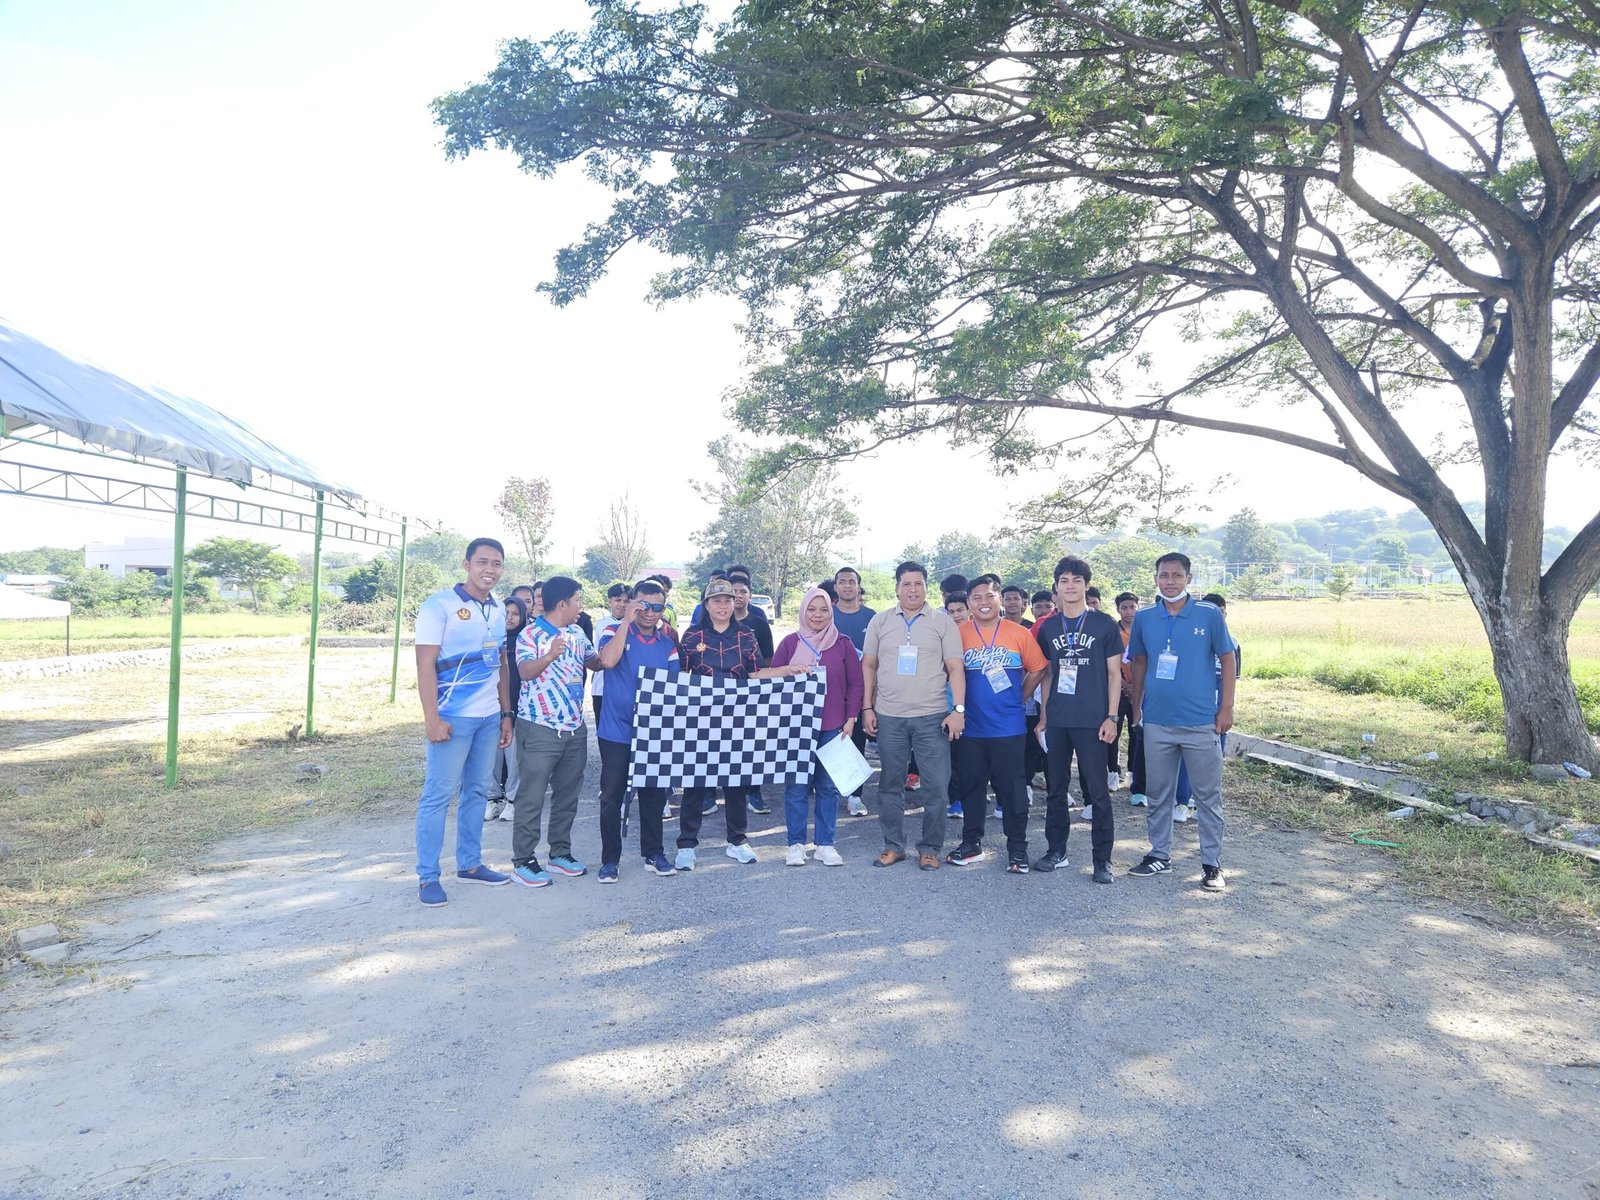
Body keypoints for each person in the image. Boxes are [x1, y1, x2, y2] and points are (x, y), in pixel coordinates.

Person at [675, 578, 808, 868]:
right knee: (695, 782)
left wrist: (786, 671)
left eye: (728, 600)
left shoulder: (746, 635)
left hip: (737, 719)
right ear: (706, 604)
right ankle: (686, 845)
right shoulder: (691, 636)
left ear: (735, 603)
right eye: (716, 600)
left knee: (736, 782)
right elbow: (681, 679)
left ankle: (737, 841)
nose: (722, 606)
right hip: (700, 719)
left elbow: (755, 673)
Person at [411, 538, 515, 907]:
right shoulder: (438, 606)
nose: (490, 570)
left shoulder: (499, 609)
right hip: (452, 718)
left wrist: (505, 714)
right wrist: (432, 719)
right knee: (438, 796)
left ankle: (470, 864)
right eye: (482, 562)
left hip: (488, 718)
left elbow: (500, 664)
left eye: (496, 564)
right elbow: (424, 665)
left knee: (476, 792)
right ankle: (427, 877)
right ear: (467, 564)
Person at [1127, 553, 1236, 891]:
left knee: (1206, 796)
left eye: (1177, 575)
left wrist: (1226, 708)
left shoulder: (1209, 614)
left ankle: (1211, 864)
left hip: (1200, 721)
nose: (1170, 581)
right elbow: (1139, 663)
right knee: (1158, 792)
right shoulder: (1145, 617)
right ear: (1156, 579)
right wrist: (1136, 707)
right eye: (1164, 575)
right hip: (1157, 721)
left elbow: (1227, 658)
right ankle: (1159, 854)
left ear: (1189, 578)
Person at [862, 561, 966, 870]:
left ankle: (930, 848)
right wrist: (867, 707)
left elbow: (956, 668)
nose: (912, 589)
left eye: (918, 583)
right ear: (897, 588)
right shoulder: (880, 622)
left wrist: (958, 710)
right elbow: (868, 665)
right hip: (889, 716)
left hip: (932, 716)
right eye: (906, 584)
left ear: (926, 587)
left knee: (935, 787)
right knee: (889, 785)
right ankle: (893, 846)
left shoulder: (942, 623)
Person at [945, 574, 1048, 873]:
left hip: (1008, 727)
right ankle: (971, 844)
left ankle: (1017, 849)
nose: (983, 602)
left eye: (989, 596)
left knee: (1012, 790)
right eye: (976, 597)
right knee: (972, 787)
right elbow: (947, 672)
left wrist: (1021, 696)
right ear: (968, 603)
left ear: (1000, 599)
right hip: (970, 727)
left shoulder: (1019, 633)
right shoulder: (958, 634)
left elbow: (1038, 668)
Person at [1033, 557, 1124, 883]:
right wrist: (1044, 716)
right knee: (1055, 788)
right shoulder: (1048, 627)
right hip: (1059, 719)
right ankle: (1056, 851)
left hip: (1093, 719)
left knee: (1097, 791)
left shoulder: (1104, 624)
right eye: (1064, 581)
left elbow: (1114, 675)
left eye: (1076, 580)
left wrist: (1112, 717)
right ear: (1056, 588)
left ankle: (1103, 860)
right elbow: (1047, 674)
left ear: (1086, 585)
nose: (1070, 586)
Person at [512, 575, 603, 887]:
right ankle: (523, 861)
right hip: (539, 727)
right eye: (578, 600)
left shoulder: (577, 632)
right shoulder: (530, 634)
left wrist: (625, 630)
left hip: (574, 727)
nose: (580, 606)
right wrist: (550, 655)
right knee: (532, 797)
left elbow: (596, 662)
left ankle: (560, 853)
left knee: (567, 795)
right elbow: (525, 672)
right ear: (562, 603)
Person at [593, 579, 682, 882]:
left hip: (652, 732)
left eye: (658, 607)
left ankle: (654, 853)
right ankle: (610, 860)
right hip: (616, 730)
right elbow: (607, 660)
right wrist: (626, 621)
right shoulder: (613, 631)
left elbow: (674, 688)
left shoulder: (668, 645)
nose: (650, 612)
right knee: (611, 796)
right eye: (644, 605)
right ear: (633, 603)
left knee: (653, 795)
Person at [772, 587, 864, 865]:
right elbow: (773, 680)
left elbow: (856, 683)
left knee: (828, 787)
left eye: (824, 610)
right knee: (797, 787)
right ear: (803, 611)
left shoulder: (842, 643)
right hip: (796, 727)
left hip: (833, 725)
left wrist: (851, 718)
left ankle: (825, 844)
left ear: (831, 612)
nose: (817, 615)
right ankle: (796, 844)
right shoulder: (790, 643)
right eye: (811, 609)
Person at [727, 571, 777, 814]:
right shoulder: (713, 623)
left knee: (752, 744)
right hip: (723, 694)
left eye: (743, 592)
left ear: (750, 596)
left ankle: (754, 792)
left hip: (753, 693)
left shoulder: (759, 624)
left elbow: (767, 659)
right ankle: (708, 793)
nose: (738, 596)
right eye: (733, 592)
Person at [832, 566, 877, 817]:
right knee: (830, 739)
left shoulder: (872, 617)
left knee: (857, 740)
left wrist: (874, 693)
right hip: (831, 689)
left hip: (861, 688)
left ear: (859, 587)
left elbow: (878, 657)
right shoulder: (826, 613)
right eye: (842, 581)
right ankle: (827, 788)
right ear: (835, 587)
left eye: (852, 581)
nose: (847, 586)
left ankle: (855, 795)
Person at [485, 594, 529, 823]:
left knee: (513, 758)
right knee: (491, 756)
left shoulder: (527, 642)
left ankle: (512, 800)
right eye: (506, 614)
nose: (510, 618)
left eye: (515, 614)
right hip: (492, 707)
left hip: (517, 708)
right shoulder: (492, 640)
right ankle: (492, 799)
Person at [1111, 591, 1146, 806]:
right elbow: (1109, 662)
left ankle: (1133, 772)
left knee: (1137, 732)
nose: (1129, 611)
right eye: (1124, 607)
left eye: (1132, 607)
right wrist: (1124, 686)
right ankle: (1112, 771)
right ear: (1118, 609)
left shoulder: (1144, 630)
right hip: (1118, 689)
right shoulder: (1113, 632)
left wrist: (1137, 687)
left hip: (1140, 690)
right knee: (1114, 731)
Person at [590, 583, 631, 723]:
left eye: (626, 601)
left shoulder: (634, 624)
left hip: (624, 685)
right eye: (618, 600)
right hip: (601, 685)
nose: (622, 604)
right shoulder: (601, 624)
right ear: (609, 601)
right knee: (602, 724)